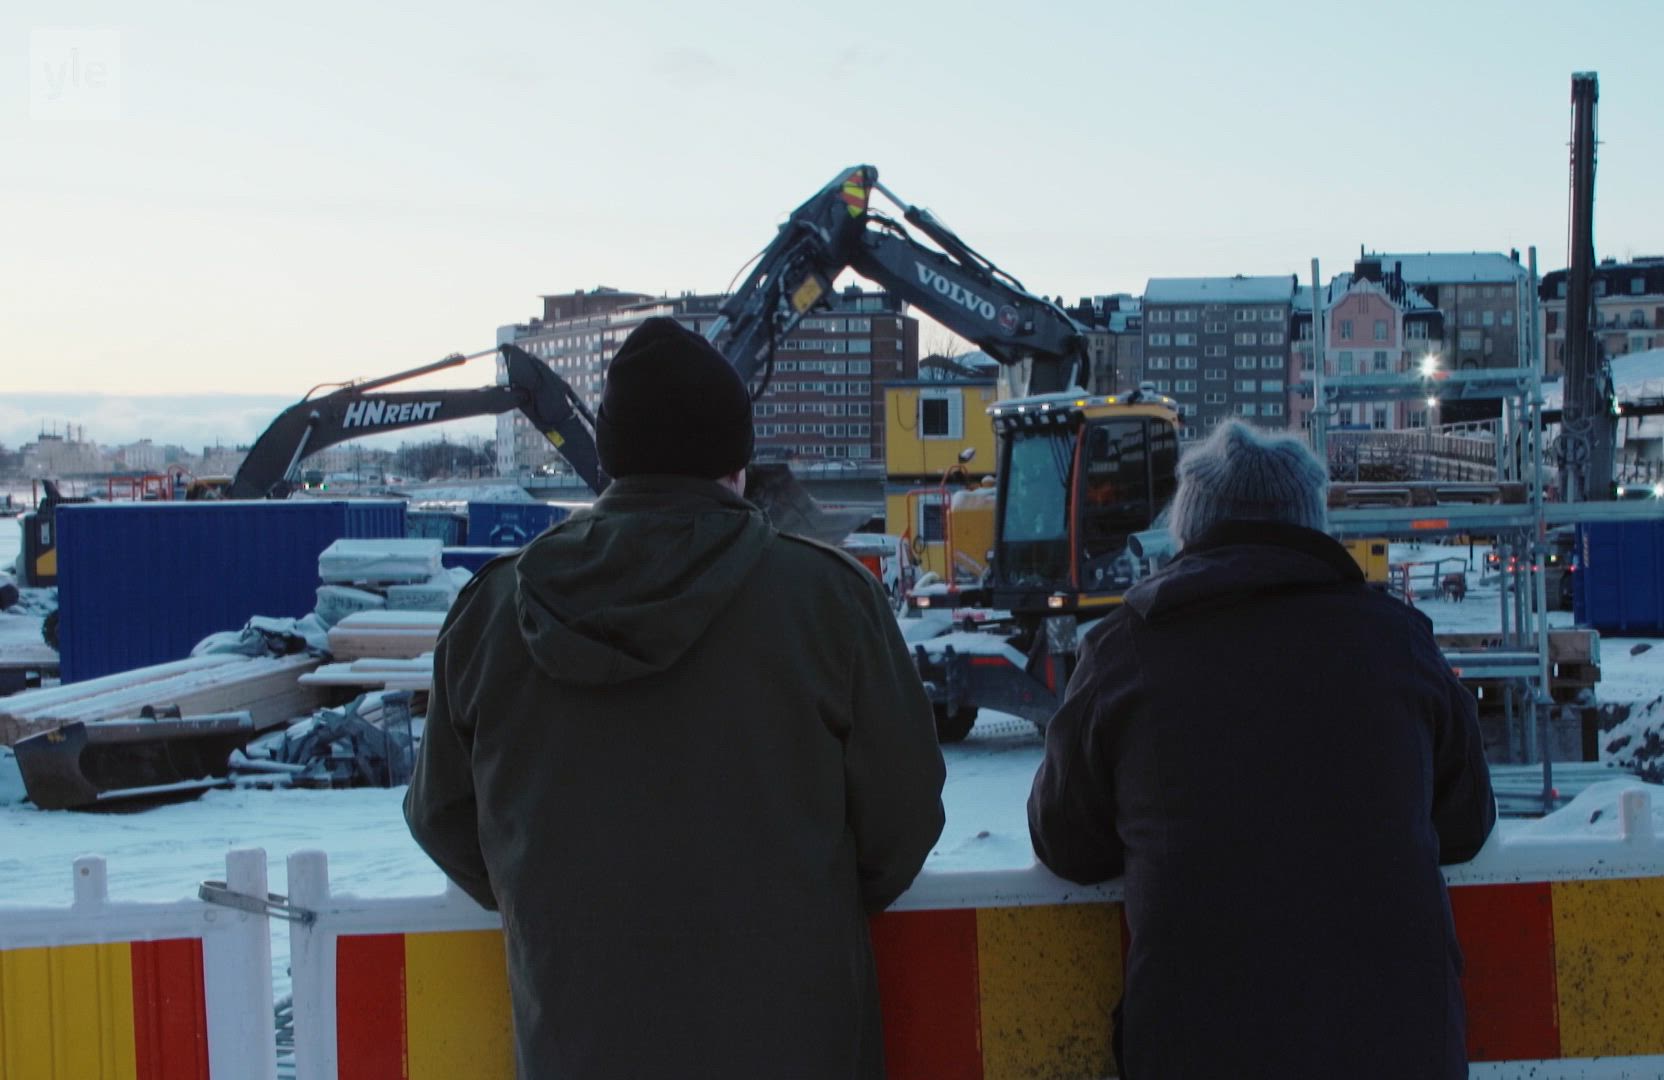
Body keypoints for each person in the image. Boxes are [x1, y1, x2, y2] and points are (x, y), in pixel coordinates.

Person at [406, 317, 947, 1079]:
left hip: (580, 1041)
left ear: (610, 456)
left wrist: (555, 909)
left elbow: (442, 815)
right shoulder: (827, 600)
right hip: (795, 1039)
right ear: (736, 459)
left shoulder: (494, 609)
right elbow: (904, 814)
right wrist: (803, 907)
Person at [1027, 419, 1495, 1079]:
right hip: (1399, 1047)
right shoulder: (1399, 642)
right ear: (1315, 528)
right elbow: (1465, 825)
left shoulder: (1126, 647)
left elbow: (1066, 842)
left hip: (1200, 1049)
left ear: (1188, 531)